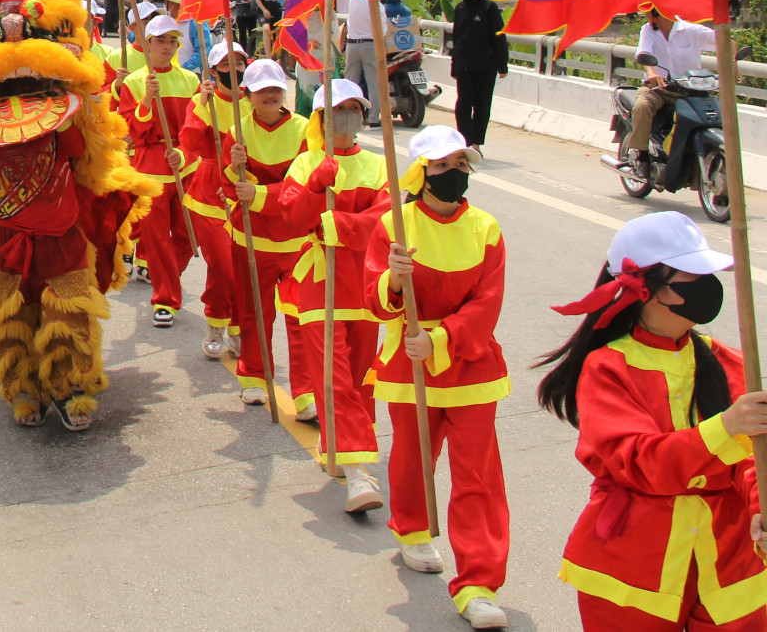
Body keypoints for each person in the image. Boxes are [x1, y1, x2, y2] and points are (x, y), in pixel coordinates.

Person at [537, 213, 767, 630]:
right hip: (635, 560)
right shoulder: (608, 368)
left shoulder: (727, 360)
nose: (707, 288)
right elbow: (640, 462)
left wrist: (761, 507)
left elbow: (753, 460)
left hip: (730, 558)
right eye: (693, 277)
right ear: (645, 290)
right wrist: (726, 427)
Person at [368, 124, 510, 629]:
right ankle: (412, 529)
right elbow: (374, 299)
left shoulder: (487, 228)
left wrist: (443, 339)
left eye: (460, 166)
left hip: (470, 362)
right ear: (422, 172)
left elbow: (488, 302)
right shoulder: (395, 225)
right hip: (410, 361)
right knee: (413, 455)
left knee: (478, 474)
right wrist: (392, 277)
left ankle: (478, 582)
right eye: (444, 166)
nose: (454, 174)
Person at [251, 81, 391, 511]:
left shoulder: (379, 166)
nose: (345, 117)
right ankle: (358, 473)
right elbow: (290, 219)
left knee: (362, 376)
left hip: (365, 282)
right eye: (337, 110)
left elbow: (388, 217)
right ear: (321, 119)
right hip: (319, 282)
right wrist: (315, 188)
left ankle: (344, 447)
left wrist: (342, 227)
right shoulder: (306, 163)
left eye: (354, 109)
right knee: (333, 376)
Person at [219, 65, 322, 414]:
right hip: (252, 240)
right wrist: (235, 168)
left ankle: (306, 393)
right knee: (253, 315)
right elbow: (225, 184)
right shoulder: (237, 130)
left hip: (297, 242)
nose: (270, 94)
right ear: (247, 94)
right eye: (262, 89)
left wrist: (259, 193)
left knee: (300, 318)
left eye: (276, 87)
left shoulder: (306, 129)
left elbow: (308, 187)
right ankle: (253, 378)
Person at [120, 15, 201, 328]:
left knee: (189, 237)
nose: (167, 47)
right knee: (155, 240)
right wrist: (148, 98)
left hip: (185, 165)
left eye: (172, 41)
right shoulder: (135, 82)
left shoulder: (190, 81)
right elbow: (134, 131)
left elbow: (197, 128)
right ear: (147, 43)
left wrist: (183, 152)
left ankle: (167, 279)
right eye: (160, 41)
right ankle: (165, 298)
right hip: (150, 168)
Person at [180, 40, 248, 358]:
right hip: (210, 193)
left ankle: (237, 327)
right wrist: (203, 104)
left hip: (247, 192)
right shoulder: (203, 101)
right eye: (226, 65)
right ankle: (217, 325)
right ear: (214, 70)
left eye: (240, 64)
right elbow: (190, 141)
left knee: (243, 266)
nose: (234, 71)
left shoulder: (255, 101)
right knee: (222, 264)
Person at [624, 6, 719, 176]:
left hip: (689, 91)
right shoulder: (648, 30)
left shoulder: (691, 30)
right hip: (659, 88)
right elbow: (643, 53)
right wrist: (652, 73)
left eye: (648, 11)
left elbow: (723, 41)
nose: (646, 15)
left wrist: (732, 58)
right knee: (642, 106)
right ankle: (642, 156)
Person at [449, 0, 508, 150]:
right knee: (463, 105)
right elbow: (457, 38)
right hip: (464, 66)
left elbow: (499, 36)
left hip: (486, 66)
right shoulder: (460, 9)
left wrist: (502, 64)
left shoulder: (489, 7)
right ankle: (464, 141)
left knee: (482, 106)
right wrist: (454, 64)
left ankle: (476, 144)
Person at [338, 0, 383, 124]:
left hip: (352, 45)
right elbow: (384, 30)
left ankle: (347, 114)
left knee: (350, 83)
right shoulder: (377, 5)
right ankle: (374, 119)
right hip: (370, 45)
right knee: (374, 83)